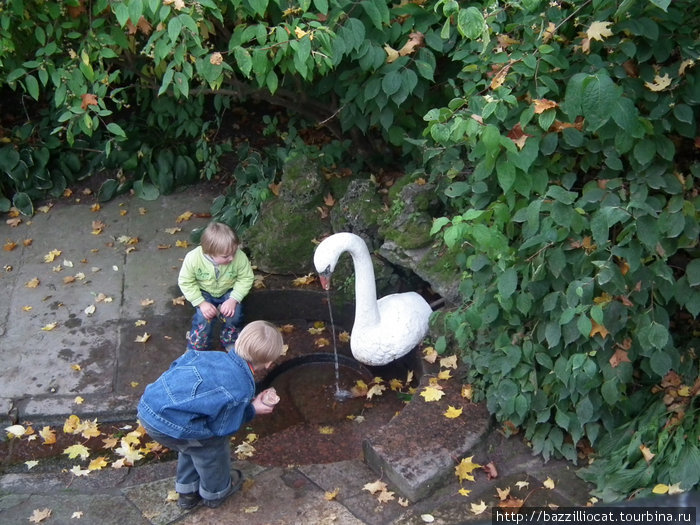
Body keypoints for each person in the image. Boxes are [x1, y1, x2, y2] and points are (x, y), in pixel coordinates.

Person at [137, 320, 283, 510]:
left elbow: (176, 366)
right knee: (212, 448)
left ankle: (187, 493)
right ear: (269, 363)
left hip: (149, 407)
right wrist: (252, 409)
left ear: (239, 340)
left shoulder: (208, 356)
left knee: (191, 445)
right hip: (171, 425)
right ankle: (215, 492)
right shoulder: (242, 387)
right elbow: (222, 427)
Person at [178, 222, 255, 351]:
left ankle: (231, 339)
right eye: (226, 256)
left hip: (229, 290)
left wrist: (233, 299)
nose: (231, 258)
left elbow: (246, 278)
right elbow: (185, 281)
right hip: (203, 291)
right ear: (210, 252)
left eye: (234, 252)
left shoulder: (239, 257)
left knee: (234, 314)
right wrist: (201, 303)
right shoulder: (193, 259)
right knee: (203, 318)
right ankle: (197, 345)